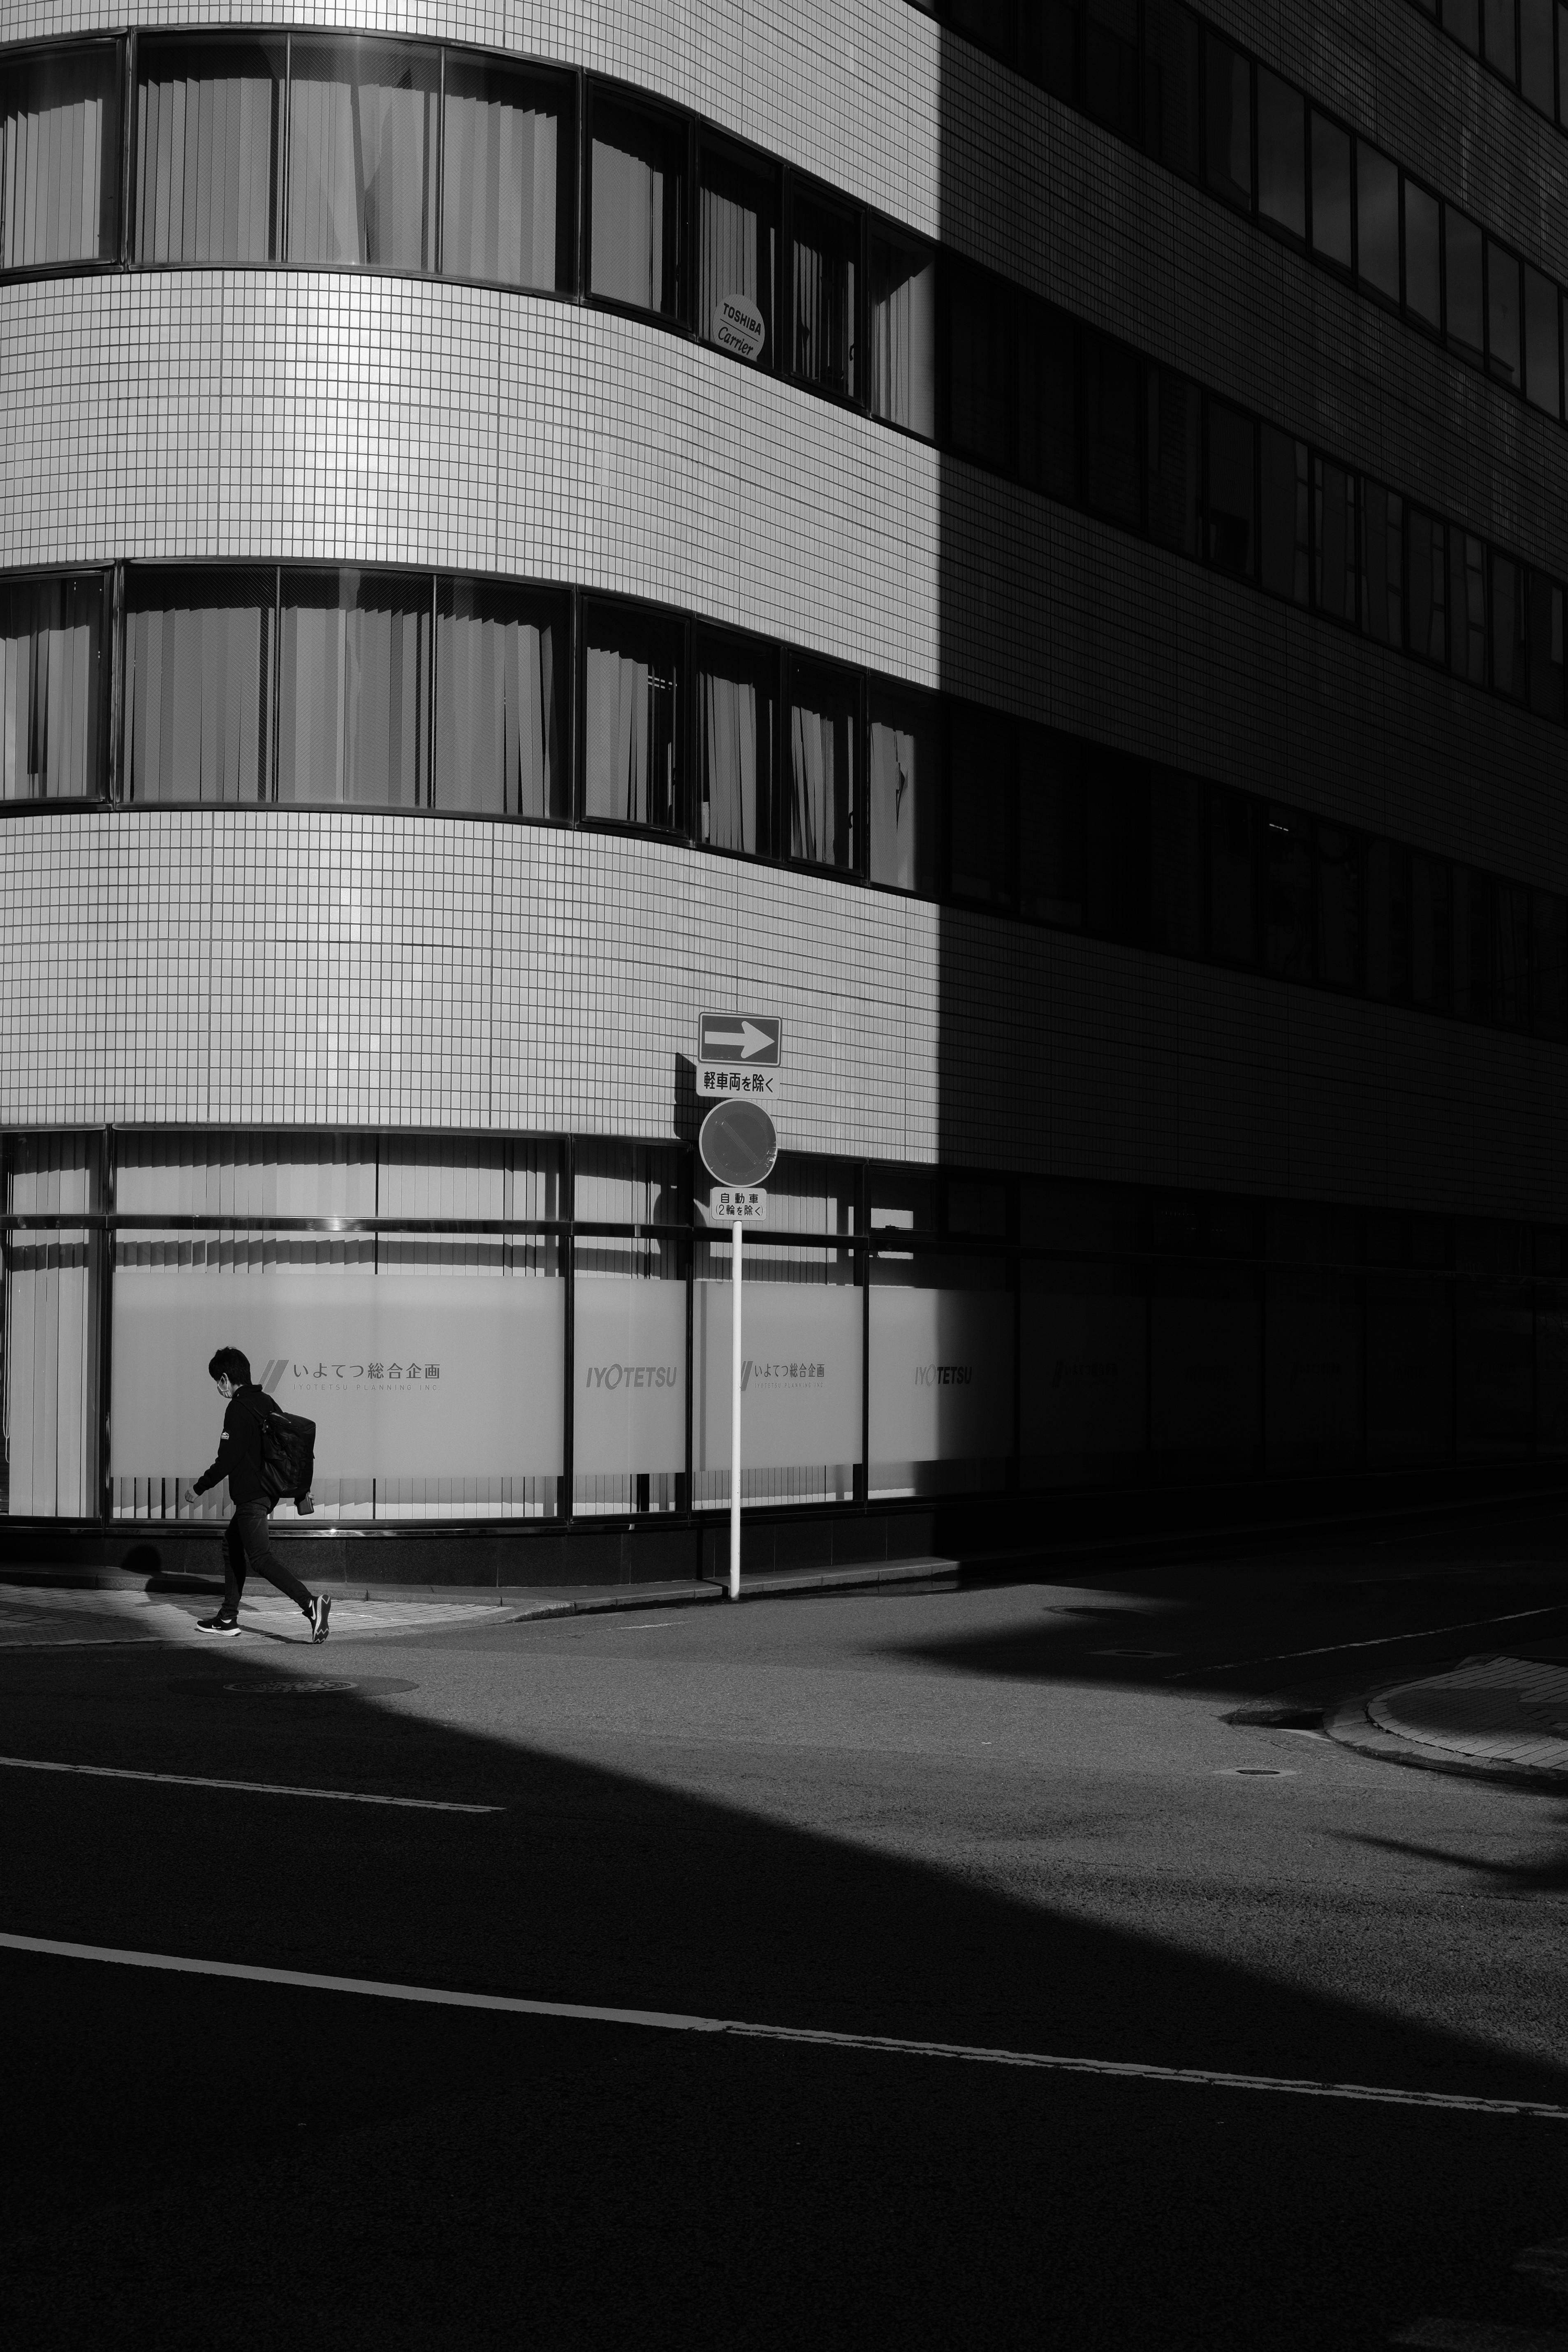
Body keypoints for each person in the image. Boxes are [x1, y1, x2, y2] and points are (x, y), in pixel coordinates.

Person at [184, 1347, 331, 1642]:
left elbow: (228, 1459)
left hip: (252, 1494)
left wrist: (199, 1488)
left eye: (218, 1381)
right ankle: (227, 1618)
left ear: (225, 1378)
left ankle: (310, 1605)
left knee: (261, 1558)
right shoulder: (266, 1401)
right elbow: (289, 1450)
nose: (219, 1388)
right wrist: (300, 1491)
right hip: (267, 1492)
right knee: (231, 1544)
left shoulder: (238, 1408)